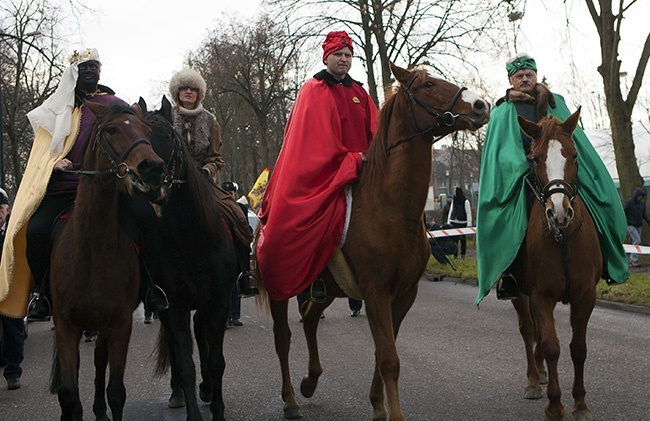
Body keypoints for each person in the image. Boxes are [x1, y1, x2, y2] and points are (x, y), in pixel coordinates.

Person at [0, 48, 168, 323]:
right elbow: (41, 153)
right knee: (37, 231)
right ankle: (42, 294)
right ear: (72, 73)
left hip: (111, 190)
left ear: (100, 71)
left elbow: (130, 137)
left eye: (94, 66)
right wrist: (52, 164)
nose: (89, 71)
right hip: (65, 189)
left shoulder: (114, 103)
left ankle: (150, 286)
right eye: (83, 67)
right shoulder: (55, 109)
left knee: (147, 220)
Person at [475, 53, 629, 304]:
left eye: (529, 74)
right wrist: (523, 165)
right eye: (519, 76)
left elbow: (573, 139)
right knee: (509, 216)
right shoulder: (504, 111)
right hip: (526, 175)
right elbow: (502, 151)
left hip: (561, 172)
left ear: (535, 76)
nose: (525, 79)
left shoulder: (556, 102)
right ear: (511, 80)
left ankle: (606, 259)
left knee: (599, 199)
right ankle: (511, 273)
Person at [257, 30, 379, 303]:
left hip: (363, 171)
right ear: (327, 57)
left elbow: (376, 131)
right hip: (325, 175)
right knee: (319, 218)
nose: (344, 60)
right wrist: (352, 160)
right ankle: (317, 278)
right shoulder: (312, 90)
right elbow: (316, 141)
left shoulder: (359, 90)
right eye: (338, 54)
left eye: (348, 55)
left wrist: (378, 157)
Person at [168, 69, 258, 298]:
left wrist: (206, 170)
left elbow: (217, 158)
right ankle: (148, 283)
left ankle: (242, 274)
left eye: (193, 89)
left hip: (203, 183)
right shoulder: (166, 118)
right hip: (171, 182)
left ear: (199, 93)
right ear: (177, 92)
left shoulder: (210, 120)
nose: (188, 92)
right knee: (145, 217)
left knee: (237, 214)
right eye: (184, 88)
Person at [0, 189, 24, 390]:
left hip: (11, 287)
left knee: (13, 329)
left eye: (1, 208)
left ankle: (13, 371)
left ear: (7, 209)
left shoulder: (15, 231)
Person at [623, 187, 650, 267]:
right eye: (639, 196)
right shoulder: (629, 203)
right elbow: (623, 211)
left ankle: (634, 258)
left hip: (639, 225)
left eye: (641, 196)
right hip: (630, 225)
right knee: (637, 239)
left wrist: (648, 221)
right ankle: (633, 259)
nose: (640, 198)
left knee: (637, 242)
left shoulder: (642, 204)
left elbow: (644, 214)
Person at [447, 187, 472, 258]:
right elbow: (450, 211)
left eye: (455, 192)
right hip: (454, 222)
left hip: (462, 222)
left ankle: (463, 255)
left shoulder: (465, 201)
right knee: (454, 240)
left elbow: (468, 213)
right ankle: (455, 254)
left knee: (463, 240)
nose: (454, 193)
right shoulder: (453, 201)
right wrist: (449, 221)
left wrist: (469, 224)